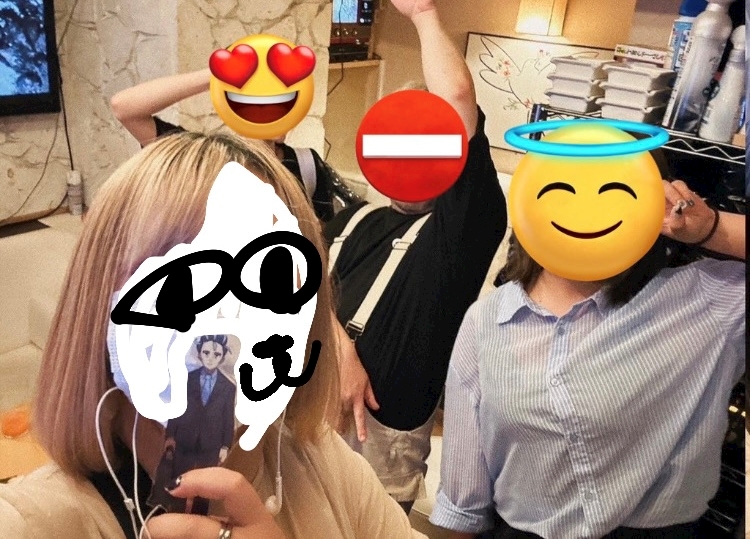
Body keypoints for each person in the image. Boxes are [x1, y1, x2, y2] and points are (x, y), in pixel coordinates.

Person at [0, 132, 427, 539]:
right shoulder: (31, 523)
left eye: (271, 281)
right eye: (185, 283)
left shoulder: (324, 461)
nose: (227, 319)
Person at [431, 180, 745, 539]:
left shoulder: (701, 300)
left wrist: (711, 228)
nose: (585, 207)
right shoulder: (488, 319)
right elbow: (462, 505)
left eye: (610, 189)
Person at [325, 0, 507, 515]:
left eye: (428, 142)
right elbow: (298, 287)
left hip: (381, 455)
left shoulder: (463, 230)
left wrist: (425, 14)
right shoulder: (353, 219)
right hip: (306, 422)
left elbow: (456, 98)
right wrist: (340, 348)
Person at [110, 68, 343, 222]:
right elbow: (124, 108)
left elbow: (325, 244)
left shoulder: (307, 166)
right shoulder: (204, 160)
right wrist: (218, 74)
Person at [150, 335, 236, 514]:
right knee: (179, 477)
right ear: (199, 354)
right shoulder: (187, 379)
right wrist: (170, 436)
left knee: (205, 484)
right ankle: (172, 511)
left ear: (222, 358)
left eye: (216, 354)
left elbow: (228, 418)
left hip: (211, 442)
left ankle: (199, 514)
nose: (210, 358)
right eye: (206, 352)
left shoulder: (228, 387)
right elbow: (176, 408)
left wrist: (225, 445)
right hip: (185, 437)